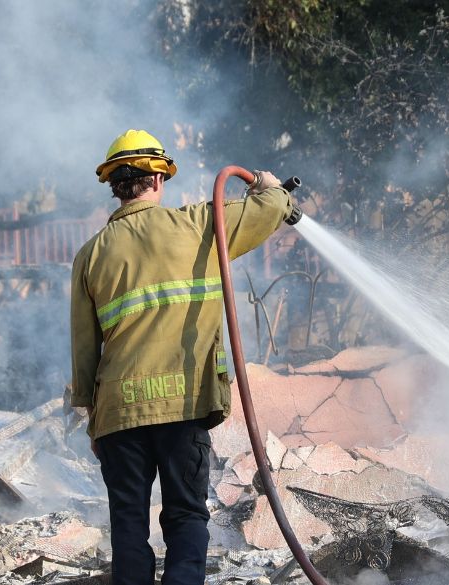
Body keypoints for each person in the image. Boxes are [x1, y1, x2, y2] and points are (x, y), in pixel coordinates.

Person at [68, 129, 294, 585]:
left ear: (115, 186)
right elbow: (270, 208)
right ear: (158, 181)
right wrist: (268, 185)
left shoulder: (90, 254)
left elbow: (84, 351)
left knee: (128, 523)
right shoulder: (198, 225)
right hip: (184, 403)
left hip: (119, 413)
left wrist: (95, 421)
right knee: (187, 516)